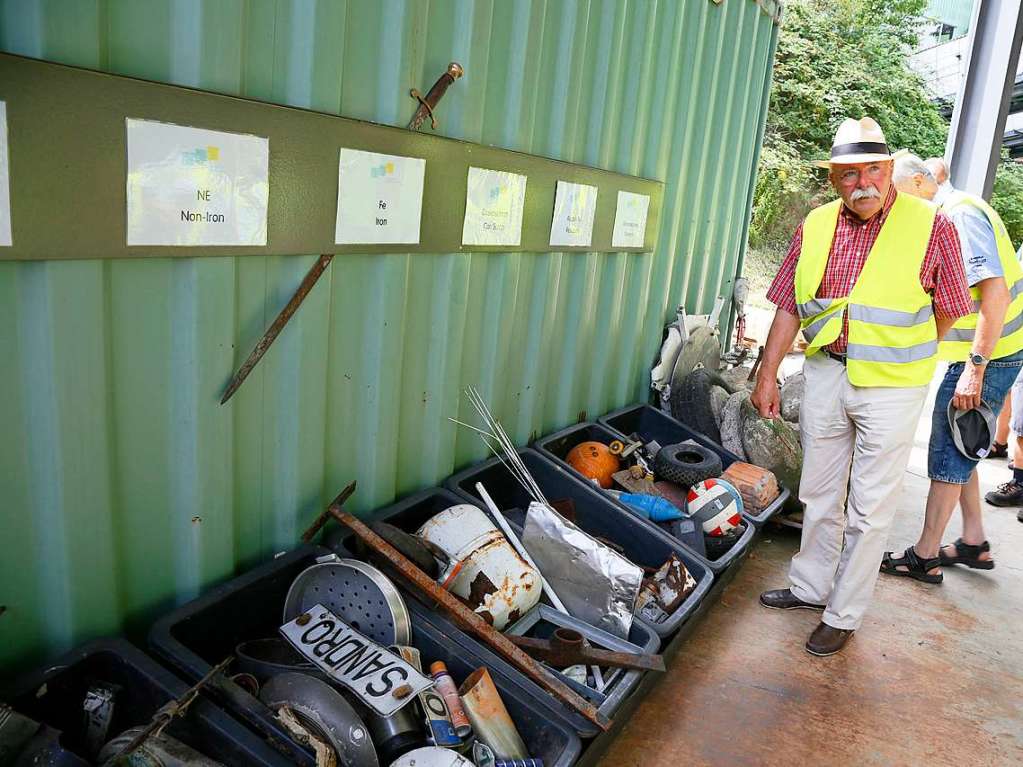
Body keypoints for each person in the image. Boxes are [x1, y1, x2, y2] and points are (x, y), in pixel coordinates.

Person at [753, 118, 971, 656]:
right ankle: (810, 587)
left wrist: (904, 351)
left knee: (871, 506)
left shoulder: (931, 224)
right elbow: (788, 302)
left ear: (889, 168)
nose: (862, 183)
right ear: (833, 178)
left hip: (893, 387)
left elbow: (950, 310)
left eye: (873, 169)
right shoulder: (817, 222)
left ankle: (843, 614)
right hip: (828, 370)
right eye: (848, 174)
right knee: (819, 492)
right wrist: (767, 372)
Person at [881, 154, 1023, 580]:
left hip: (990, 355)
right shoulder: (951, 212)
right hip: (987, 352)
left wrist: (975, 367)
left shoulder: (959, 217)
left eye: (902, 196)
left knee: (947, 449)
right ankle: (974, 541)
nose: (898, 207)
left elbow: (993, 295)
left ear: (924, 182)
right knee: (965, 443)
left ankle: (925, 557)